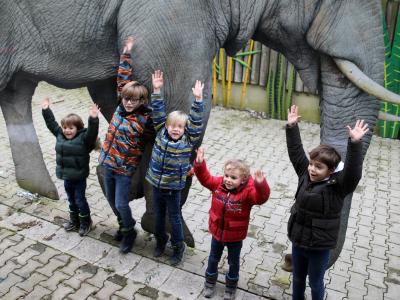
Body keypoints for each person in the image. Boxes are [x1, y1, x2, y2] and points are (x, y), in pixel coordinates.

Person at [285, 105, 369, 300]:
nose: (312, 169)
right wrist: (292, 127)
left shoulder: (338, 185)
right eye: (312, 164)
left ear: (331, 170)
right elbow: (296, 152)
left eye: (319, 167)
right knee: (297, 279)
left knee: (315, 283)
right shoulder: (305, 174)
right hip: (298, 241)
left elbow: (353, 172)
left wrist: (355, 144)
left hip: (319, 248)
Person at [99, 37, 154, 254]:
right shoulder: (121, 109)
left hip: (124, 170)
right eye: (127, 99)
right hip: (107, 164)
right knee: (112, 202)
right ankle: (124, 225)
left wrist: (156, 93)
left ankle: (129, 231)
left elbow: (159, 120)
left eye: (135, 100)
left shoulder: (144, 120)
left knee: (121, 203)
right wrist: (126, 52)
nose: (129, 102)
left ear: (142, 102)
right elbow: (123, 79)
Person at [194, 147, 270, 299]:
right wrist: (199, 163)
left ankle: (231, 287)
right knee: (213, 258)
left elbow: (261, 198)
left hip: (235, 236)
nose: (228, 179)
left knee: (233, 262)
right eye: (227, 175)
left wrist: (261, 184)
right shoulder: (218, 185)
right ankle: (209, 282)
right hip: (217, 232)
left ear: (243, 180)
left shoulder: (248, 192)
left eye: (233, 178)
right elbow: (205, 178)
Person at [145, 70, 205, 266]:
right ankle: (160, 241)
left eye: (180, 126)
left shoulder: (188, 139)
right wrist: (156, 89)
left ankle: (178, 247)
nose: (176, 129)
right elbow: (158, 108)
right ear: (167, 126)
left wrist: (198, 100)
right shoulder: (161, 132)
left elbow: (196, 122)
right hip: (156, 184)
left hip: (173, 188)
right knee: (159, 216)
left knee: (175, 218)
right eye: (173, 126)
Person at [42, 97, 99, 236]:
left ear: (78, 128)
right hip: (67, 176)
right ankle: (75, 221)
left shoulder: (84, 138)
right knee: (71, 200)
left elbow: (92, 133)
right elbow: (51, 123)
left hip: (79, 177)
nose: (67, 130)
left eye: (71, 128)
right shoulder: (60, 135)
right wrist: (46, 110)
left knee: (80, 200)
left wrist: (93, 119)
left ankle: (86, 223)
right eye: (65, 127)